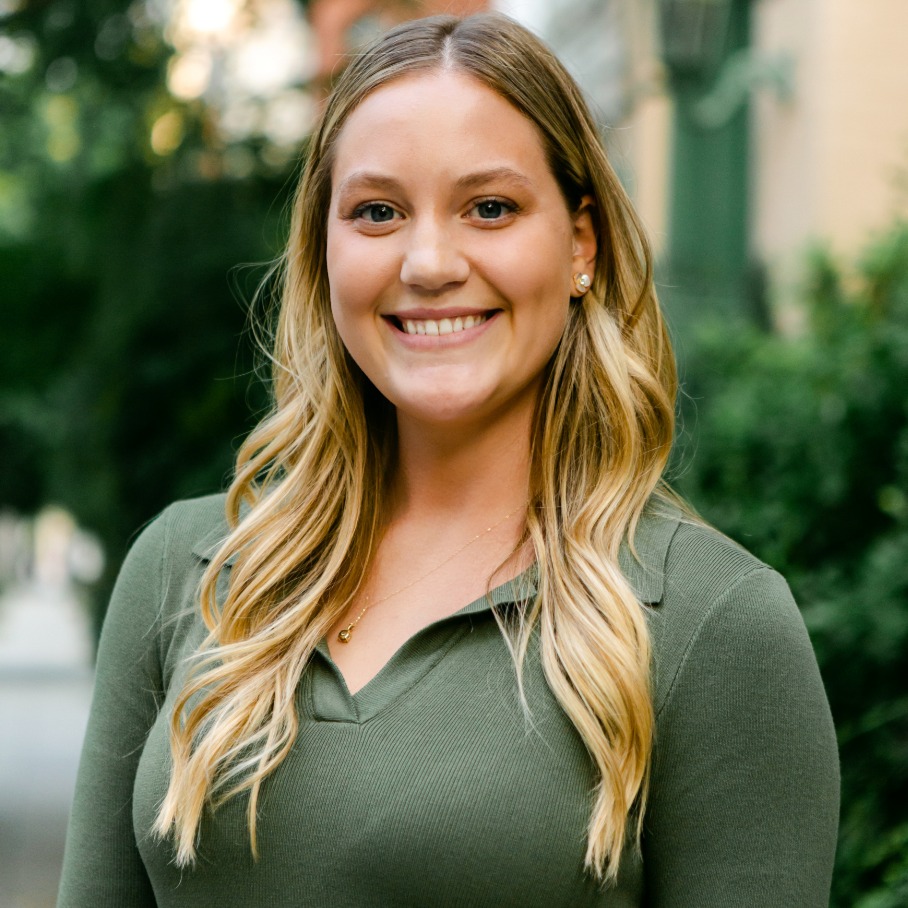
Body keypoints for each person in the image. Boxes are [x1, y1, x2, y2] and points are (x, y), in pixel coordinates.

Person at [57, 13, 839, 907]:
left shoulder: (711, 622)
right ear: (324, 248)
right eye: (377, 212)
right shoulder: (188, 570)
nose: (429, 262)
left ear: (582, 244)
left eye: (490, 208)